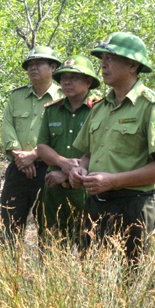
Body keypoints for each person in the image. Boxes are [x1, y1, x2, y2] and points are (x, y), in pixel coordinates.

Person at [69, 32, 155, 262]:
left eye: (112, 57)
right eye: (102, 57)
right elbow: (88, 153)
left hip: (132, 207)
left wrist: (113, 181)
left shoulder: (152, 106)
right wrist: (80, 170)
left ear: (133, 65)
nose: (104, 63)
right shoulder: (99, 108)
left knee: (129, 281)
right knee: (90, 275)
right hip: (95, 205)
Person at [0, 46, 64, 244]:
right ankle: (8, 270)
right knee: (10, 225)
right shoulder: (17, 96)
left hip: (49, 170)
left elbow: (63, 135)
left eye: (38, 64)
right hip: (18, 169)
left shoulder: (64, 97)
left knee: (49, 227)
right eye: (29, 65)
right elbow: (7, 126)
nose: (32, 68)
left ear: (53, 67)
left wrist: (35, 155)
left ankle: (48, 272)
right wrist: (21, 157)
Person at [36, 55, 100, 244]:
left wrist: (68, 175)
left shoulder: (100, 108)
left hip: (88, 190)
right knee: (51, 246)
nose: (67, 82)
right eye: (63, 78)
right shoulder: (52, 110)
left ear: (88, 81)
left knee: (87, 247)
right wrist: (62, 163)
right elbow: (42, 146)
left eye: (73, 77)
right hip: (54, 189)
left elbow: (101, 148)